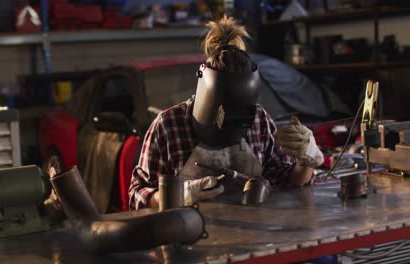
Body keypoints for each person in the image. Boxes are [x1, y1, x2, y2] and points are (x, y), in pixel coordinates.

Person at [129, 15, 324, 210]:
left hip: (255, 233)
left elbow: (287, 181)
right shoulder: (168, 125)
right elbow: (137, 195)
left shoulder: (260, 120)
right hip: (187, 234)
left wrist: (307, 161)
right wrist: (179, 195)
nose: (232, 118)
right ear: (207, 92)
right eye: (226, 108)